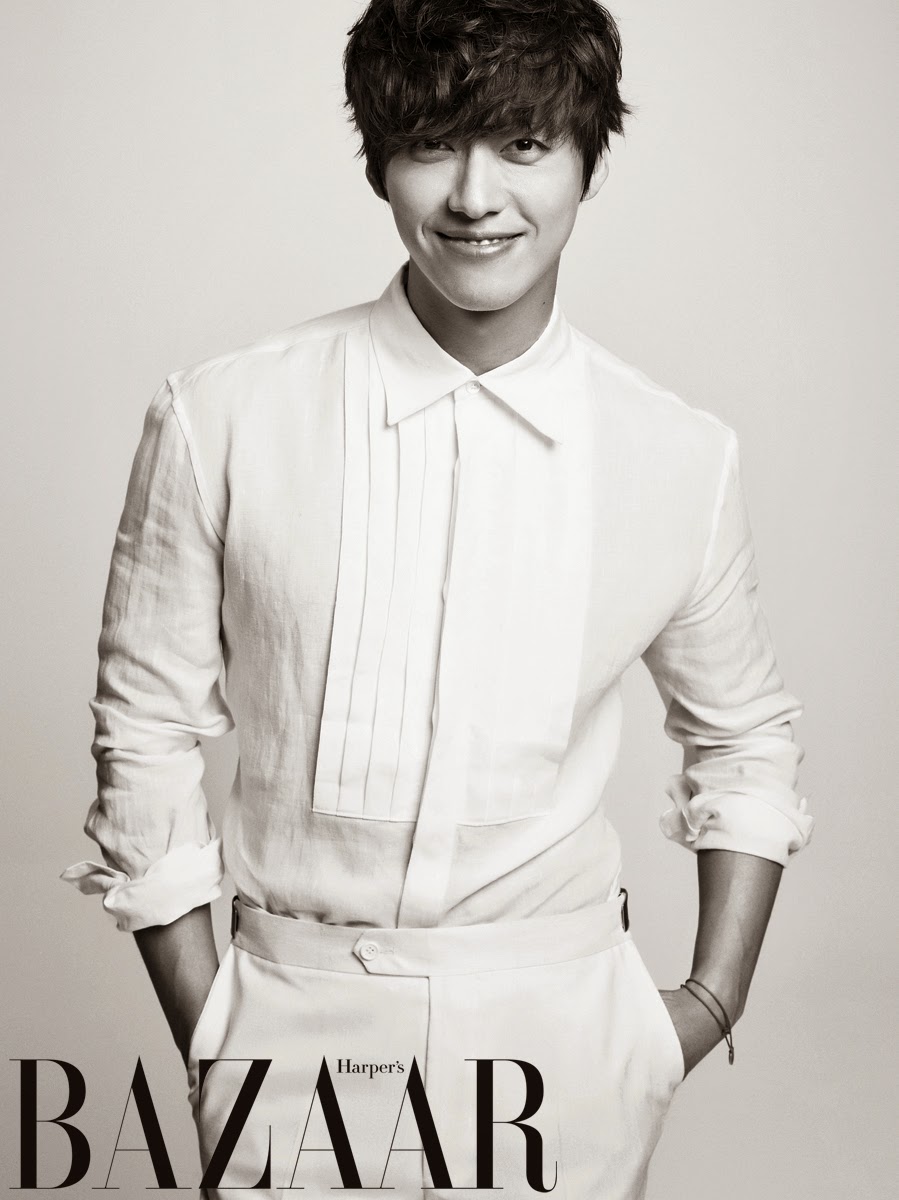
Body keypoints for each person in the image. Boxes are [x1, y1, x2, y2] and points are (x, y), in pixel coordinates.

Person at [61, 2, 814, 1197]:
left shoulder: (674, 454)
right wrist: (216, 1034)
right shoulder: (224, 416)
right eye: (429, 144)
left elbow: (744, 737)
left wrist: (704, 1004)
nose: (473, 197)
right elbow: (144, 730)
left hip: (567, 1046)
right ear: (378, 161)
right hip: (289, 1033)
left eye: (521, 144)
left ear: (585, 161)